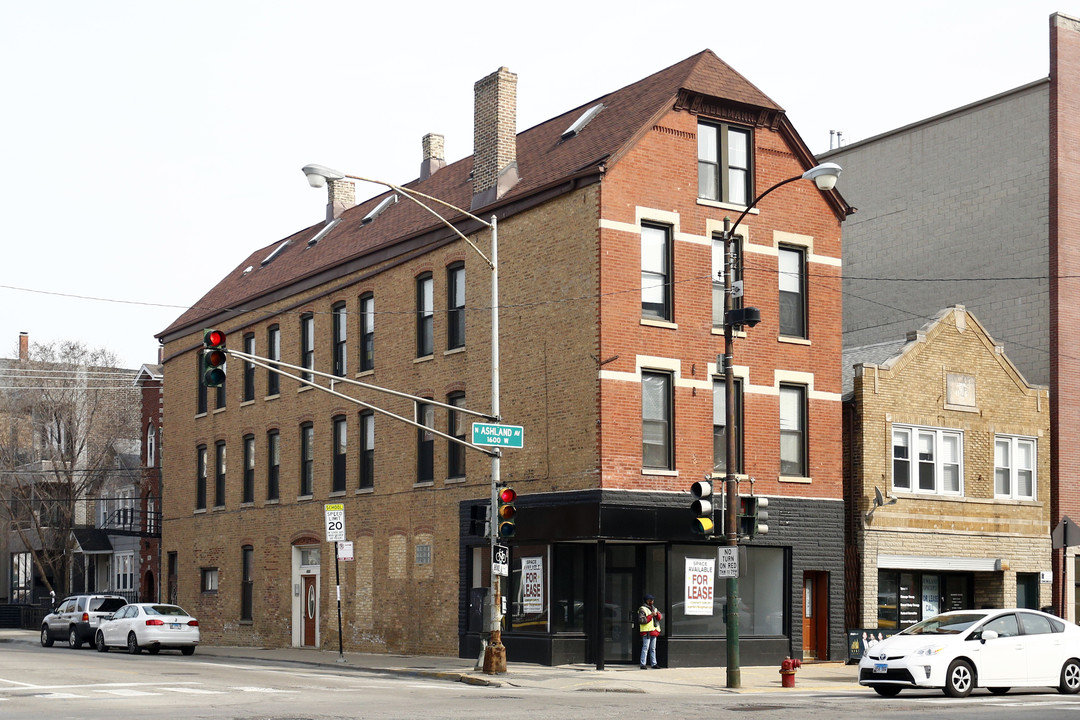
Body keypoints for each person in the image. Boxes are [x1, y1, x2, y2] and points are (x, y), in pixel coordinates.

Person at [637, 593, 662, 669]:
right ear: (647, 601)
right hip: (647, 631)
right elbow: (641, 620)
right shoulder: (642, 609)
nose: (652, 601)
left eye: (652, 600)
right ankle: (643, 664)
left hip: (654, 631)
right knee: (645, 648)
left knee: (653, 648)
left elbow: (660, 617)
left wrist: (657, 614)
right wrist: (651, 615)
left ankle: (654, 664)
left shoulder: (654, 608)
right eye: (650, 600)